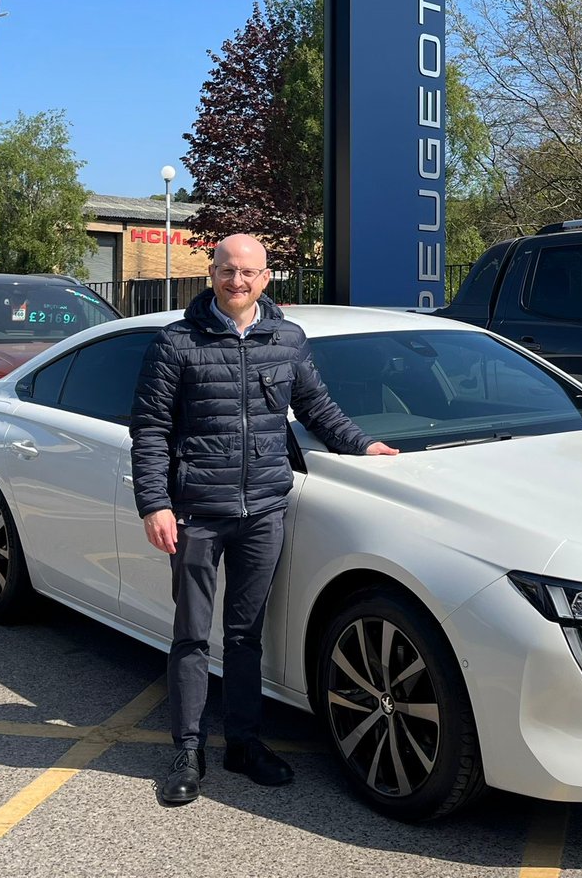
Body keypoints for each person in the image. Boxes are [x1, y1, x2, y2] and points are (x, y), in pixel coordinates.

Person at [130, 233, 398, 805]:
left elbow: (318, 408)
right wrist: (155, 504)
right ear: (212, 274)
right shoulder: (175, 344)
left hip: (264, 510)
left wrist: (364, 446)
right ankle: (187, 749)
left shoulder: (288, 339)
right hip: (198, 510)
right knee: (191, 636)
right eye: (228, 271)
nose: (238, 281)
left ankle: (244, 744)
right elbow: (150, 429)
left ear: (266, 278)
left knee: (246, 635)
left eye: (249, 273)